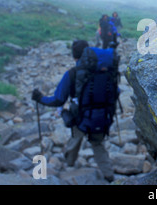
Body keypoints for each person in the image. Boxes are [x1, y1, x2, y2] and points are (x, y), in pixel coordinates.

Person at [31, 40, 115, 182]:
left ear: (73, 56)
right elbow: (115, 92)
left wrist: (40, 98)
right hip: (101, 116)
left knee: (76, 137)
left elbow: (58, 100)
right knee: (97, 144)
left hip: (80, 118)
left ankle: (70, 164)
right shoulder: (104, 71)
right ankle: (109, 175)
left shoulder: (72, 74)